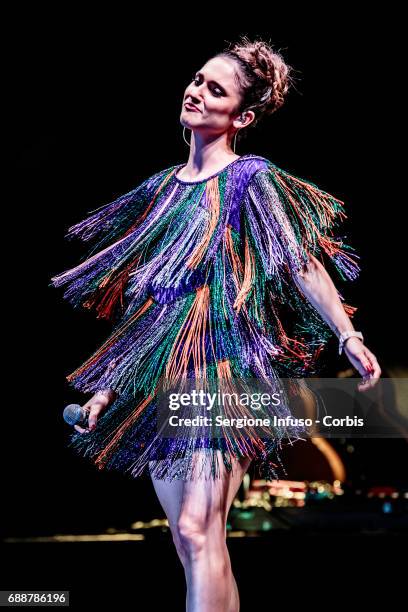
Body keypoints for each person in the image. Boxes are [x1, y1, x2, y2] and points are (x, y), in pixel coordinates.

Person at [50, 36, 381, 612]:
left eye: (216, 89)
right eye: (198, 80)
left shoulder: (251, 177)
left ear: (243, 116)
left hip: (228, 372)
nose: (197, 92)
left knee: (202, 531)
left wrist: (346, 333)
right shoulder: (161, 190)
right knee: (186, 537)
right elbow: (148, 307)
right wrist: (107, 389)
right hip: (163, 384)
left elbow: (300, 261)